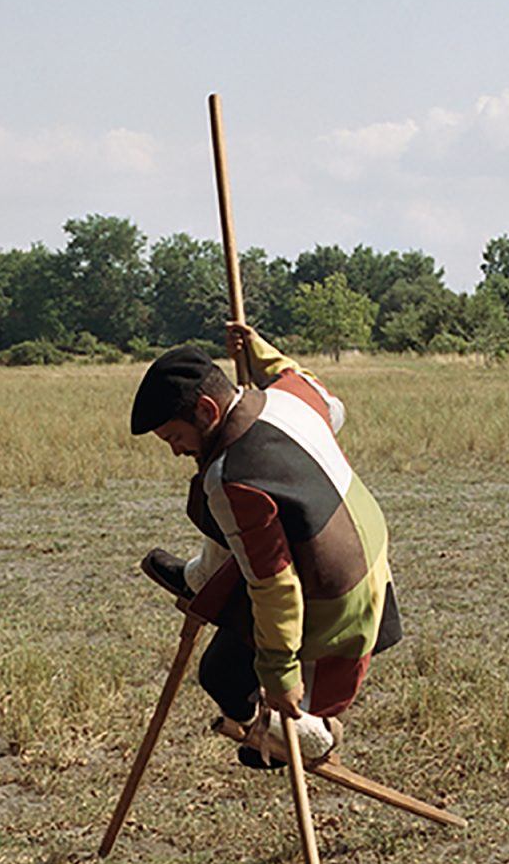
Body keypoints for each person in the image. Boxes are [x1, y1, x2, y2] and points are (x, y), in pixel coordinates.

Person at [129, 321, 400, 768]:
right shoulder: (291, 397)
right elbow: (308, 384)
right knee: (230, 531)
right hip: (371, 564)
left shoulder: (233, 479)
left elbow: (274, 584)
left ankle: (310, 737)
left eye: (175, 437)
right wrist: (258, 350)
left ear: (207, 410)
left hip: (336, 597)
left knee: (221, 671)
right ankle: (201, 579)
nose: (177, 451)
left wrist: (279, 672)